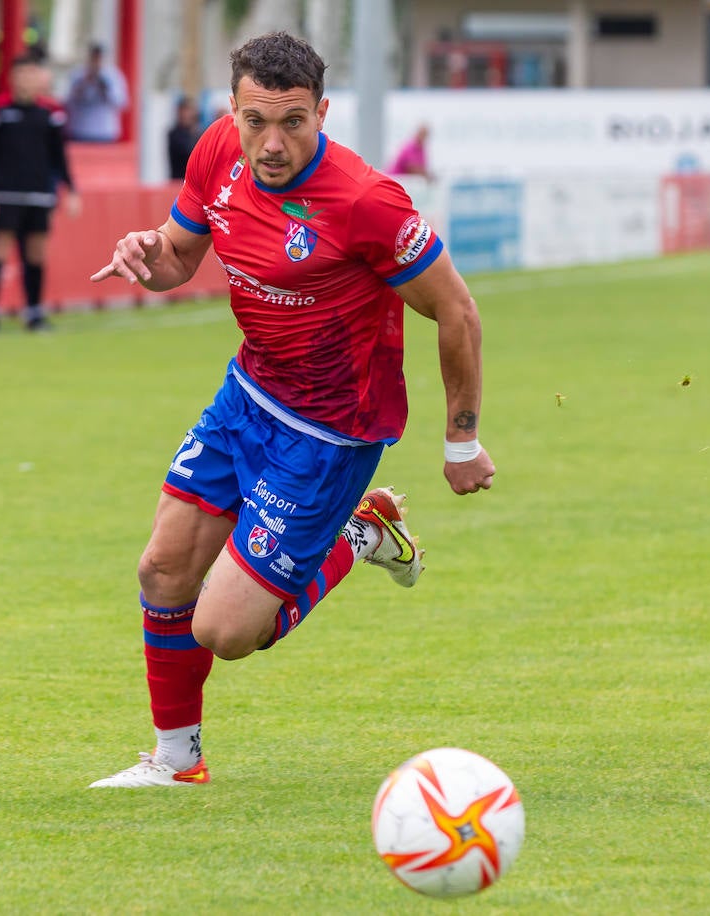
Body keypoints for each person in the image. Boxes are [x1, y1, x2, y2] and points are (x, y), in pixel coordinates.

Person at [87, 31, 495, 787]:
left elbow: (458, 312)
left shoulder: (366, 201)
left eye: (293, 122)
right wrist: (151, 258)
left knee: (224, 630)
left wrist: (462, 442)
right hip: (248, 394)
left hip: (331, 431)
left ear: (322, 112)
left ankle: (360, 534)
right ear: (233, 111)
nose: (272, 143)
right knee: (163, 570)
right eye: (256, 122)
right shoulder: (217, 151)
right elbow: (180, 256)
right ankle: (176, 762)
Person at [0, 54, 79, 332]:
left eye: (33, 74)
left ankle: (34, 312)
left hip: (39, 194)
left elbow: (59, 156)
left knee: (36, 254)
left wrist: (71, 189)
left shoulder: (51, 113)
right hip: (4, 194)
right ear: (13, 78)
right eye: (23, 74)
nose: (28, 79)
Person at [63, 42, 128, 142]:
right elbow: (67, 102)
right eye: (94, 57)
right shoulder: (78, 74)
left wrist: (104, 86)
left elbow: (121, 103)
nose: (97, 60)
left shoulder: (113, 75)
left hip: (104, 132)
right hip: (79, 130)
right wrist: (83, 84)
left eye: (99, 57)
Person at [166, 95, 201, 179]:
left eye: (189, 110)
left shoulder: (199, 132)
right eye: (184, 110)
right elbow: (190, 153)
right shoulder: (174, 134)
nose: (186, 114)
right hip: (179, 183)